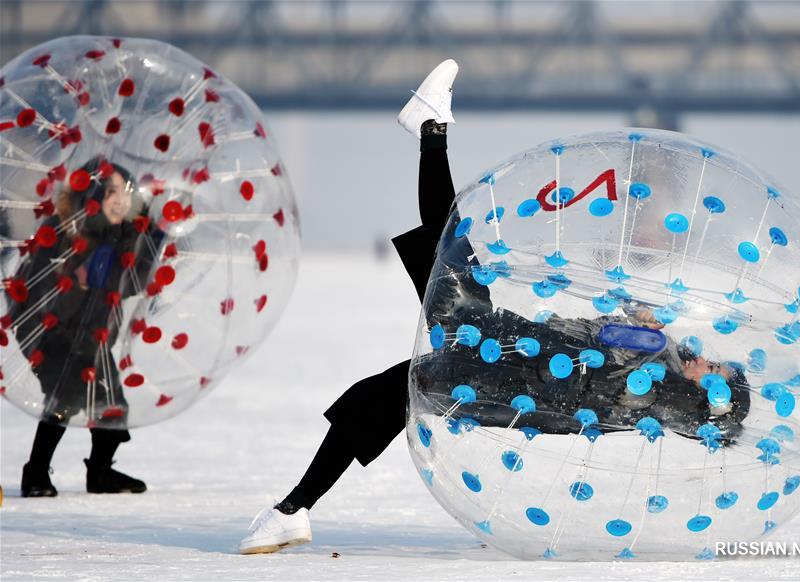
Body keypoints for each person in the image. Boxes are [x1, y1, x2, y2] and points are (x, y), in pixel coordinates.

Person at [238, 60, 751, 555]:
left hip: (493, 356)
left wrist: (636, 324)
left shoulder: (655, 366)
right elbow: (588, 366)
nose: (709, 361)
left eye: (715, 372)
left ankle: (431, 128)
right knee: (401, 351)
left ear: (708, 394)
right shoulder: (655, 409)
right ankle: (290, 510)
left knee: (446, 252)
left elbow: (596, 343)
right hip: (499, 382)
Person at [11, 157, 153, 497]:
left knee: (112, 405)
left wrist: (153, 230)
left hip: (94, 337)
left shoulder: (122, 239)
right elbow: (33, 291)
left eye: (126, 192)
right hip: (55, 335)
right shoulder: (64, 233)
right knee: (64, 397)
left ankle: (101, 472)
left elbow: (133, 283)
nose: (121, 200)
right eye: (111, 192)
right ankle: (35, 473)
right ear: (90, 195)